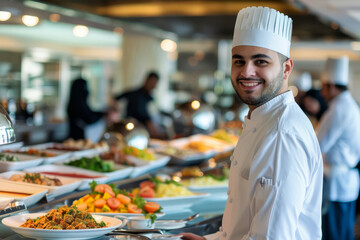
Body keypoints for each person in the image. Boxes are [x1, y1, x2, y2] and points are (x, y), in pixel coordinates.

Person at [180, 6, 323, 240]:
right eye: (239, 61)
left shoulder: (281, 134)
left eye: (261, 62)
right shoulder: (262, 118)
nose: (247, 72)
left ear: (286, 69)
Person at [317, 56, 360, 240]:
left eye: (324, 86)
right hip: (346, 180)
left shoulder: (339, 108)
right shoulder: (346, 104)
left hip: (337, 182)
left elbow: (318, 144)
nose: (322, 91)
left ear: (332, 85)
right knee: (343, 232)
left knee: (336, 234)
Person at [114, 71, 165, 139]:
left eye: (155, 83)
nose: (153, 86)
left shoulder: (151, 99)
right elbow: (115, 99)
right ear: (147, 80)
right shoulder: (133, 94)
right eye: (152, 82)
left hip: (146, 130)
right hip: (132, 128)